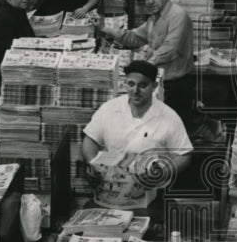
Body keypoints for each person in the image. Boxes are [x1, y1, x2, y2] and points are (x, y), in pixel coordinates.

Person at [82, 59, 193, 201]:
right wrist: (92, 165)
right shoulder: (109, 108)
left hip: (151, 193)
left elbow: (184, 155)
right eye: (131, 84)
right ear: (125, 84)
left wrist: (163, 172)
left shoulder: (169, 116)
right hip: (111, 189)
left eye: (142, 85)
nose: (135, 91)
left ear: (154, 86)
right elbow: (90, 139)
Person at [106, 0, 196, 131]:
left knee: (175, 132)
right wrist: (104, 29)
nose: (150, 1)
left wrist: (144, 66)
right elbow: (134, 37)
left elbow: (171, 49)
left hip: (177, 86)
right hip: (163, 82)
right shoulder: (154, 18)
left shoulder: (177, 15)